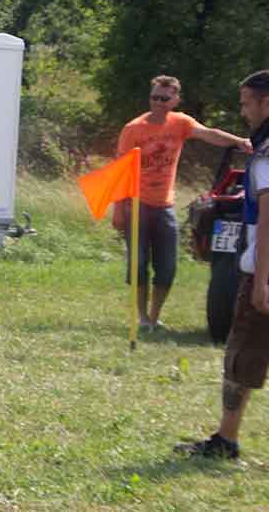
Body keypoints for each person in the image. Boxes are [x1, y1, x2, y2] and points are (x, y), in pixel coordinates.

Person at [176, 70, 269, 460]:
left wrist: (260, 280)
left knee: (240, 356)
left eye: (247, 103)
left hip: (262, 271)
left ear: (266, 102)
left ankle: (226, 440)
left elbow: (268, 219)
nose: (243, 112)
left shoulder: (265, 155)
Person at [112, 75, 251, 330]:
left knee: (167, 267)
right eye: (154, 97)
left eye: (164, 99)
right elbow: (120, 170)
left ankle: (155, 317)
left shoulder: (181, 123)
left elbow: (209, 134)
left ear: (175, 100)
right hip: (137, 205)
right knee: (138, 265)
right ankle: (142, 317)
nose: (158, 103)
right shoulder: (133, 129)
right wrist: (118, 209)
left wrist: (239, 141)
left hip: (165, 206)